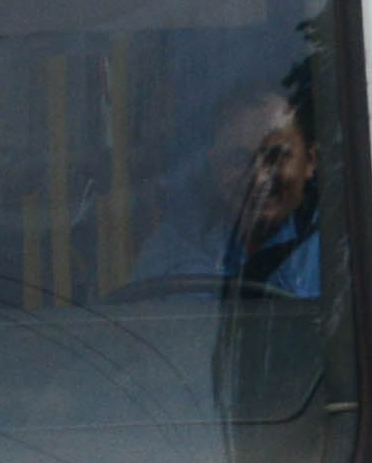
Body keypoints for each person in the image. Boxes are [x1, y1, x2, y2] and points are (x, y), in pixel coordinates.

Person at [129, 63, 325, 297]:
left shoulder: (339, 247)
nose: (259, 177)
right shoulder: (172, 250)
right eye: (237, 159)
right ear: (214, 164)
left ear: (310, 161)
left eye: (275, 156)